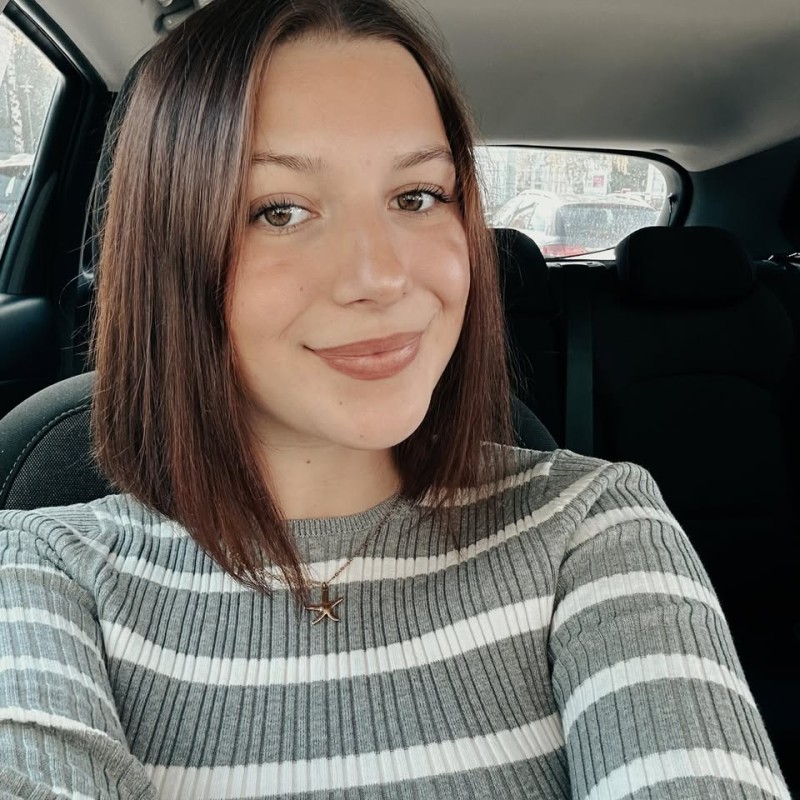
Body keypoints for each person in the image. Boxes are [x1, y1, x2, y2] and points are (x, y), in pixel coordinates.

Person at [0, 0, 790, 797]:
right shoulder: (41, 569)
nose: (380, 276)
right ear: (169, 254)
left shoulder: (597, 525)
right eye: (279, 210)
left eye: (417, 196)